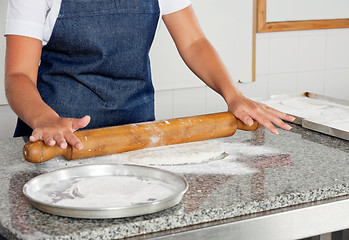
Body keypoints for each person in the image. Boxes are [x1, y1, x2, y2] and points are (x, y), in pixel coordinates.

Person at [5, 0, 295, 151]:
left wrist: (234, 95)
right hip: (58, 141)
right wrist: (44, 119)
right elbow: (18, 74)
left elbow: (194, 42)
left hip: (136, 136)